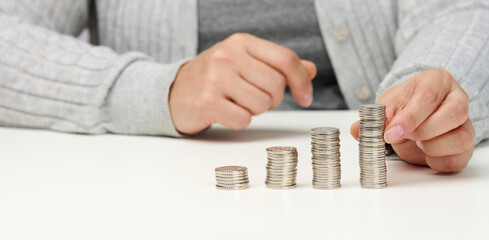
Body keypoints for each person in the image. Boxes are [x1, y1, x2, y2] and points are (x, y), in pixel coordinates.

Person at [1, 0, 488, 173]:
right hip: (155, 184)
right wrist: (156, 89)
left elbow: (462, 13)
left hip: (401, 186)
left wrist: (433, 92)